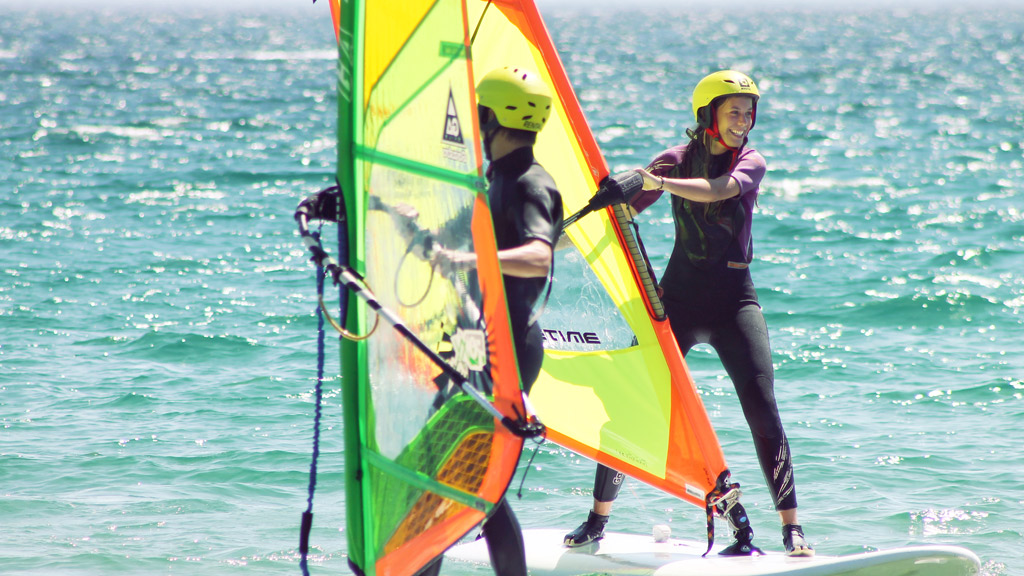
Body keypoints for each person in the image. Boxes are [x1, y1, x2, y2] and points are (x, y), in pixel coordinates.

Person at [562, 70, 813, 557]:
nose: (743, 121)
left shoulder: (750, 162)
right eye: (733, 111)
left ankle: (791, 527)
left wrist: (657, 180)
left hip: (734, 302)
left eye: (748, 112)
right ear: (707, 115)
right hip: (675, 301)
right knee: (631, 405)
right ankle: (597, 520)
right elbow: (626, 210)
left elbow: (720, 190)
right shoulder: (673, 162)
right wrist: (614, 197)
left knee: (762, 407)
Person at [419, 66, 564, 576]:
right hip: (474, 346)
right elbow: (458, 237)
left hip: (505, 351)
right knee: (454, 475)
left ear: (491, 116)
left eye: (478, 113)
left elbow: (538, 256)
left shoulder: (529, 183)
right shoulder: (496, 178)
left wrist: (467, 261)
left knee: (461, 477)